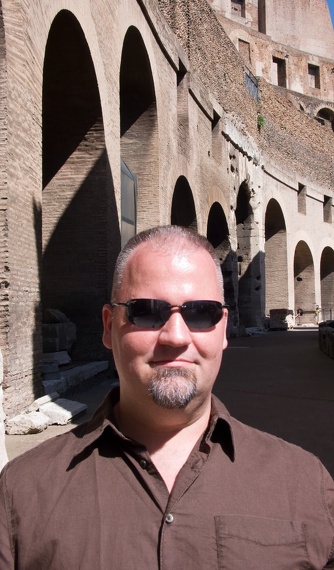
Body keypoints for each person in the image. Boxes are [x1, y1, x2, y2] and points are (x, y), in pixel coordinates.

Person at [0, 225, 333, 569]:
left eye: (200, 312)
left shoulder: (306, 485)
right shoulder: (21, 493)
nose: (175, 337)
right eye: (146, 310)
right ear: (108, 326)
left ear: (222, 329)